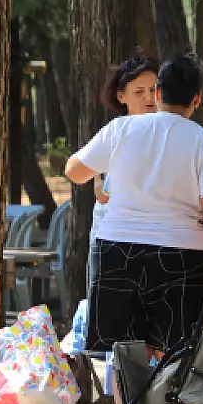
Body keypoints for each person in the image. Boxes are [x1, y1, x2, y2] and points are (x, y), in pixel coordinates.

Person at [64, 53, 203, 354]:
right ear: (197, 99)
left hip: (116, 247)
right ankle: (166, 403)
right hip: (183, 252)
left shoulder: (120, 129)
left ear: (157, 93)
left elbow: (74, 171)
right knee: (174, 351)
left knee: (123, 352)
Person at [87, 57, 162, 291]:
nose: (149, 98)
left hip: (157, 237)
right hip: (113, 238)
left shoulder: (170, 131)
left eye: (154, 90)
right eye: (139, 92)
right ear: (121, 96)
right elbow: (87, 174)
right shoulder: (115, 132)